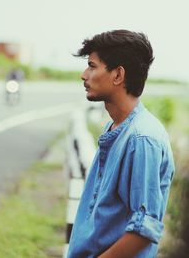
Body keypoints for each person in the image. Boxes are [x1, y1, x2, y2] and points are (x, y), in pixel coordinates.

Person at [67, 29, 175, 258]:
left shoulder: (142, 139)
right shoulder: (116, 128)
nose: (84, 75)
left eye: (92, 66)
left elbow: (144, 230)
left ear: (118, 75)